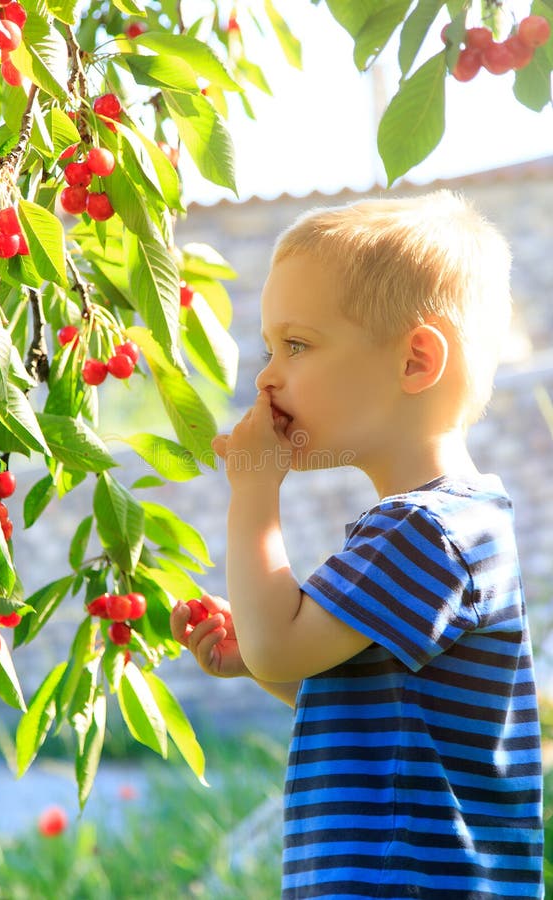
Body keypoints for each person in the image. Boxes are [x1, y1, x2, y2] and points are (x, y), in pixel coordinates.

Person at [169, 190, 543, 900]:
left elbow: (284, 642)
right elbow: (372, 704)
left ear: (414, 362)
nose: (266, 376)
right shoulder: (445, 526)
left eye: (298, 345)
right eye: (269, 347)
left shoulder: (425, 531)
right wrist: (257, 662)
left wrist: (253, 488)